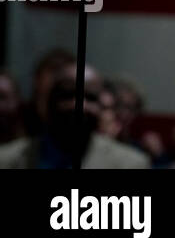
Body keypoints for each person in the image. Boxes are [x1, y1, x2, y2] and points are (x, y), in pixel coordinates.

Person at [0, 64, 148, 169]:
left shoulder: (129, 164)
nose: (79, 106)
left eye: (90, 98)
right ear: (48, 103)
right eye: (68, 95)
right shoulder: (7, 160)